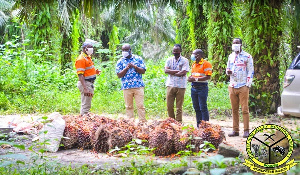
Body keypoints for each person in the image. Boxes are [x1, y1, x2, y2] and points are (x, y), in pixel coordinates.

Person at [226, 38, 254, 138]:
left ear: (241, 44)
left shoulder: (247, 56)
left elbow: (251, 70)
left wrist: (248, 84)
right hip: (232, 85)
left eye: (237, 43)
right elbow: (227, 68)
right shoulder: (230, 56)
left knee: (244, 109)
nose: (235, 44)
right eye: (234, 43)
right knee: (234, 109)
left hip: (243, 86)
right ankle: (235, 130)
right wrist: (228, 72)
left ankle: (246, 130)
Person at [116, 44, 147, 122]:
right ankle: (130, 123)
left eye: (126, 50)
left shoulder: (138, 59)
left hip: (138, 86)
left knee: (140, 106)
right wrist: (126, 68)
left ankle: (142, 122)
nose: (124, 52)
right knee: (128, 106)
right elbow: (119, 75)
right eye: (123, 50)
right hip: (126, 87)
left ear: (130, 50)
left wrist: (134, 66)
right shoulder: (120, 61)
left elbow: (143, 71)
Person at [164, 44, 189, 122]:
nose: (175, 52)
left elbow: (183, 72)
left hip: (181, 86)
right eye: (174, 51)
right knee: (169, 106)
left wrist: (171, 72)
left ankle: (178, 123)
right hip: (170, 85)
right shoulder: (169, 60)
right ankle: (171, 121)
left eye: (177, 51)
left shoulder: (185, 60)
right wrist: (178, 71)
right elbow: (166, 71)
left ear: (180, 51)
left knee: (179, 107)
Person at [75, 39, 101, 115]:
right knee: (86, 106)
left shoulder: (87, 57)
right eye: (89, 47)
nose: (91, 49)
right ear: (84, 48)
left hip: (89, 83)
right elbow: (80, 75)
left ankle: (83, 120)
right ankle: (83, 122)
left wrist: (95, 72)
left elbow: (86, 70)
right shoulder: (81, 59)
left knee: (86, 104)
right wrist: (85, 88)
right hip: (86, 84)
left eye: (92, 47)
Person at [188, 49, 212, 127]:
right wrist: (190, 78)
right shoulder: (194, 64)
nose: (192, 55)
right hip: (193, 88)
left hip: (202, 88)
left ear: (199, 55)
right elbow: (194, 75)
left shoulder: (206, 64)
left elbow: (208, 77)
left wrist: (195, 79)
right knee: (196, 108)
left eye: (194, 54)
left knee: (203, 107)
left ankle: (205, 126)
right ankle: (199, 125)